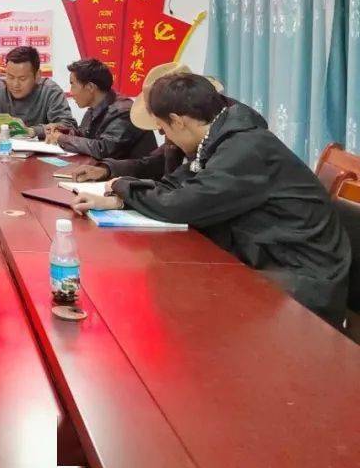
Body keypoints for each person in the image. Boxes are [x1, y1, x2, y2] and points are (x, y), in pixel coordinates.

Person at [73, 74, 350, 325]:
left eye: (164, 129)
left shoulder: (245, 148)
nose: (167, 138)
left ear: (178, 121)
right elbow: (178, 184)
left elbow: (183, 204)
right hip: (267, 258)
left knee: (184, 307)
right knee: (174, 291)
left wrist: (123, 186)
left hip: (302, 281)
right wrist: (119, 199)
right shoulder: (219, 139)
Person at [64, 63, 267, 182]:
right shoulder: (199, 128)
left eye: (161, 124)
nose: (161, 132)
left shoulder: (239, 139)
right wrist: (107, 169)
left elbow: (195, 194)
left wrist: (122, 191)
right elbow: (155, 163)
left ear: (177, 119)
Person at [44, 58, 156, 160]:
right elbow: (84, 136)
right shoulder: (94, 108)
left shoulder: (123, 112)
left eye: (73, 85)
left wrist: (61, 138)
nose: (71, 92)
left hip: (133, 175)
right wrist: (62, 131)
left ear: (90, 87)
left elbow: (103, 149)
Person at [0, 46, 75, 141]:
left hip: (41, 157)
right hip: (2, 155)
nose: (15, 84)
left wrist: (31, 131)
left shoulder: (50, 91)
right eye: (10, 77)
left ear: (37, 76)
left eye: (22, 78)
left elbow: (68, 126)